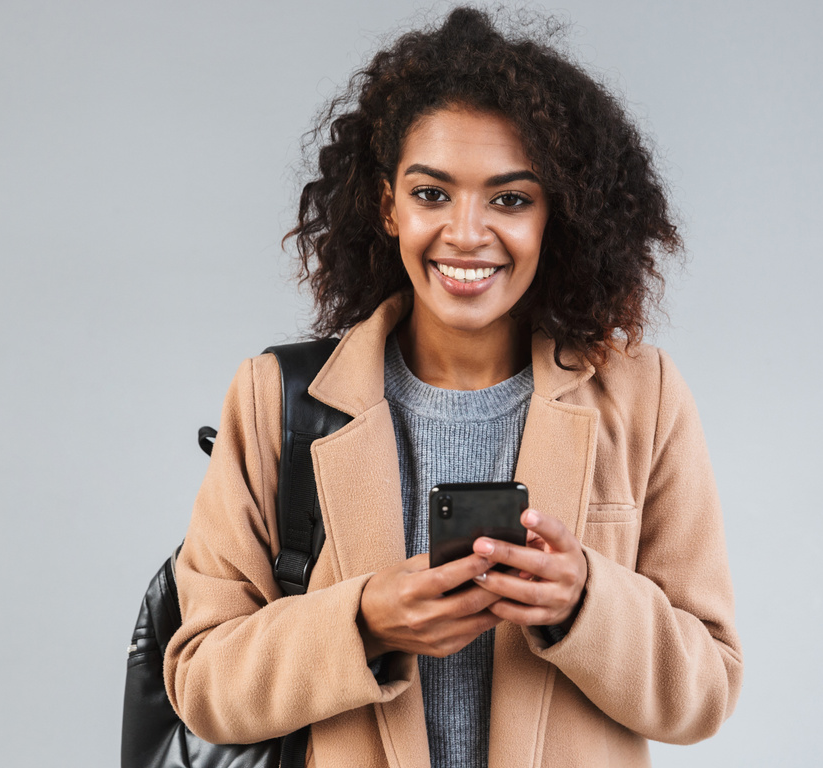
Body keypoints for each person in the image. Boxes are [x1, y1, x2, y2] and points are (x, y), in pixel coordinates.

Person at [164, 7, 742, 767]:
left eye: (510, 198)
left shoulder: (643, 396)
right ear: (388, 206)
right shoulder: (278, 397)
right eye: (432, 193)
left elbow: (708, 690)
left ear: (554, 216)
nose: (467, 233)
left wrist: (584, 604)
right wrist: (364, 622)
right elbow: (200, 678)